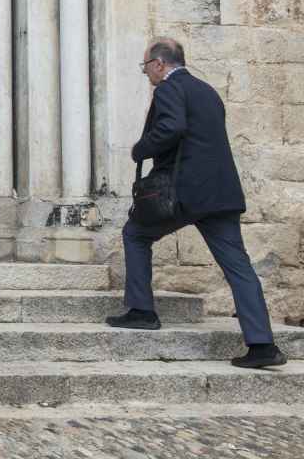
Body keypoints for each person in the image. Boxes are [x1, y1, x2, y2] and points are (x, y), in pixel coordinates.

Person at [106, 37, 287, 369]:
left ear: (160, 64)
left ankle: (142, 311)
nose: (146, 73)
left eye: (145, 66)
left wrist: (141, 148)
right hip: (221, 194)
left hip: (186, 194)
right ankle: (263, 346)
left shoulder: (168, 89)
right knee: (239, 267)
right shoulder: (208, 91)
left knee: (136, 234)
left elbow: (172, 128)